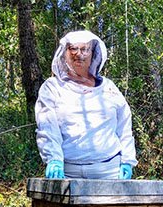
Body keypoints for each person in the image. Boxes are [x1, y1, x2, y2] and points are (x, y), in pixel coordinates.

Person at [35, 30, 138, 180]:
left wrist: (127, 160)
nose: (79, 54)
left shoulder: (109, 88)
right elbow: (47, 126)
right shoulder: (52, 87)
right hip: (67, 172)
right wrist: (54, 159)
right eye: (73, 48)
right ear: (64, 53)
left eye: (85, 49)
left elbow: (124, 125)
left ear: (93, 54)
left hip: (109, 171)